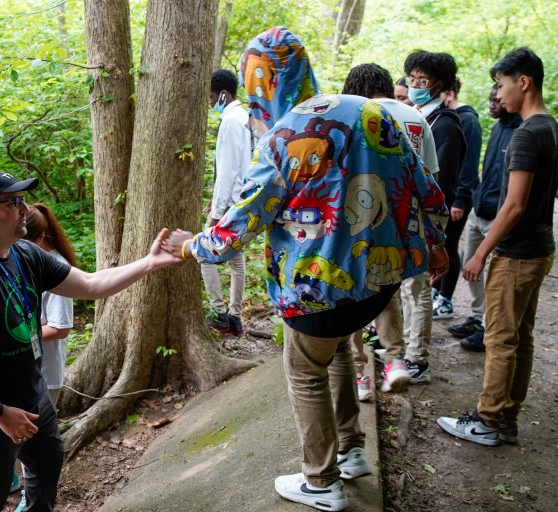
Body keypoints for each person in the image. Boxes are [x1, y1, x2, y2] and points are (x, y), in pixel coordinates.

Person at [166, 28, 449, 511]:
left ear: (261, 81)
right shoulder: (372, 111)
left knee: (304, 371)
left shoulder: (282, 137)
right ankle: (353, 451)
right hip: (378, 285)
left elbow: (240, 224)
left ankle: (321, 482)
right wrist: (438, 244)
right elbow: (427, 188)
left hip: (314, 293)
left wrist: (191, 245)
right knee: (336, 352)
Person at [0, 170, 181, 512]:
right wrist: (0, 413)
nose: (24, 209)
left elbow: (92, 285)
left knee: (47, 462)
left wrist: (149, 263)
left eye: (23, 200)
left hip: (33, 395)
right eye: (13, 202)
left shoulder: (25, 255)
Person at [438, 48, 557, 446]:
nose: (499, 93)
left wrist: (479, 252)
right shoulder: (550, 127)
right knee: (520, 336)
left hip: (518, 253)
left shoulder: (526, 134)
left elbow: (514, 205)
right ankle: (506, 419)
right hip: (540, 248)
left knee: (500, 338)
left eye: (502, 84)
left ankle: (487, 419)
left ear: (523, 82)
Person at [342, 63, 441, 388]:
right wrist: (435, 237)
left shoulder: (355, 115)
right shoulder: (417, 117)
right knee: (405, 290)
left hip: (365, 219)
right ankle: (401, 359)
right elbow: (432, 179)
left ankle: (361, 377)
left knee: (356, 292)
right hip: (411, 222)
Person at [448, 86, 522, 350]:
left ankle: (489, 325)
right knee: (470, 265)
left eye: (497, 99)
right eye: (491, 99)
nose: (493, 103)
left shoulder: (521, 130)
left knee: (492, 272)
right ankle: (479, 317)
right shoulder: (499, 127)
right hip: (478, 210)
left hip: (498, 215)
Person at [404, 51, 466, 329]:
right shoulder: (419, 117)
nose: (415, 86)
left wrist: (434, 234)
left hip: (426, 221)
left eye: (423, 80)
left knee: (420, 288)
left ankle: (417, 359)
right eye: (412, 79)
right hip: (411, 217)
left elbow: (441, 183)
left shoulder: (445, 125)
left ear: (439, 86)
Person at [202, 69, 252, 335]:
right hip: (238, 199)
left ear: (223, 94)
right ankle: (235, 315)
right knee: (236, 257)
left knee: (203, 254)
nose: (210, 103)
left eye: (211, 97)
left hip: (231, 203)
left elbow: (231, 168)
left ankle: (221, 312)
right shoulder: (242, 117)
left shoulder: (232, 121)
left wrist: (218, 209)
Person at [434, 78, 483, 318]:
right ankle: (437, 293)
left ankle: (445, 300)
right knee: (441, 244)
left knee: (450, 246)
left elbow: (469, 164)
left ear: (449, 94)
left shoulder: (467, 121)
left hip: (458, 198)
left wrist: (460, 199)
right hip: (448, 197)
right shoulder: (444, 120)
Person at [23, 203, 77, 405]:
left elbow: (60, 328)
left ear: (39, 237)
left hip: (45, 373)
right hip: (26, 370)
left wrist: (16, 340)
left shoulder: (57, 268)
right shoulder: (28, 262)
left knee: (41, 431)